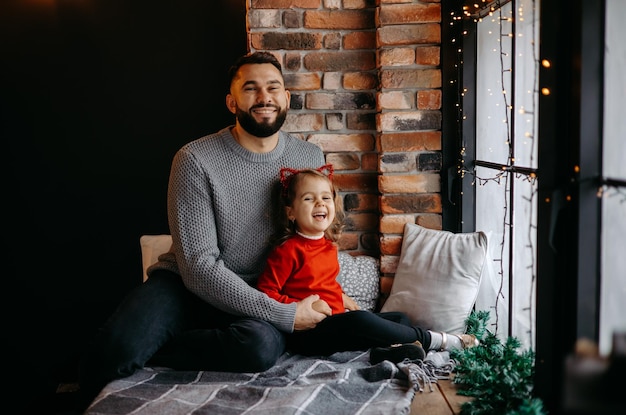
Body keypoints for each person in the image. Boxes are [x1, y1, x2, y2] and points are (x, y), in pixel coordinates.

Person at [78, 51, 333, 408]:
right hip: (184, 286)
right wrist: (284, 315)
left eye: (274, 87)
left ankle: (166, 347)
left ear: (287, 98)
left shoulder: (310, 158)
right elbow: (198, 267)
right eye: (251, 89)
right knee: (117, 347)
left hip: (260, 289)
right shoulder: (195, 159)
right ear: (232, 102)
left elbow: (316, 241)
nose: (264, 97)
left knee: (258, 348)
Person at [256, 165, 479, 364]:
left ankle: (386, 352)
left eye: (326, 198)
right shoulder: (287, 250)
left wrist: (343, 298)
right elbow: (266, 293)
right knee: (361, 320)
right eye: (308, 198)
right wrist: (299, 307)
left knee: (400, 319)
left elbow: (321, 283)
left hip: (337, 323)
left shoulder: (327, 246)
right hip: (308, 333)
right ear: (291, 212)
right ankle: (434, 339)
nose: (319, 203)